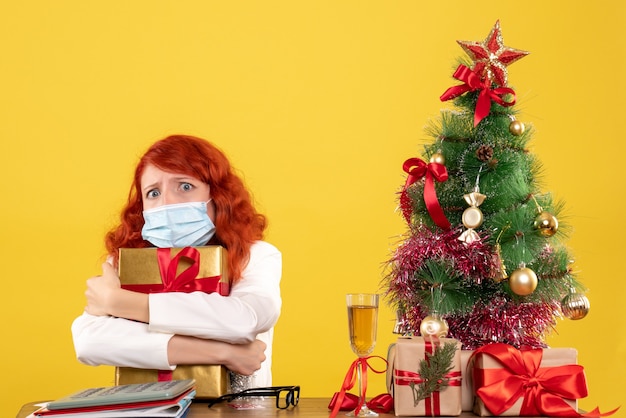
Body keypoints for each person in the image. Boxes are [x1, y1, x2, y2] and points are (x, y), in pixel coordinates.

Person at [71, 134, 282, 387]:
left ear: (218, 196)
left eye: (184, 186)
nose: (166, 203)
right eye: (153, 192)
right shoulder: (126, 262)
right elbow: (89, 341)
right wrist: (227, 353)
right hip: (148, 409)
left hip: (235, 412)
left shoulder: (256, 255)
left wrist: (121, 302)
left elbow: (245, 320)